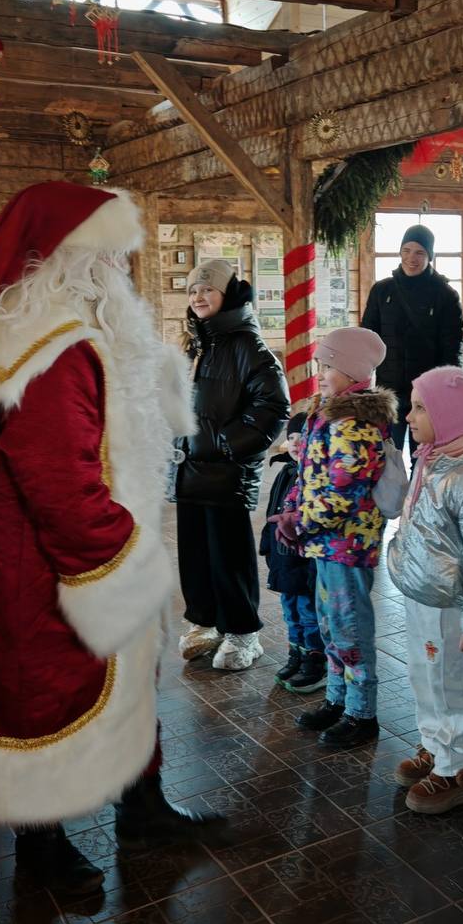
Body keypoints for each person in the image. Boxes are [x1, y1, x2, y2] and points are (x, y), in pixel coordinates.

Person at [0, 181, 209, 894]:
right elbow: (60, 483)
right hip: (40, 563)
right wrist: (123, 565)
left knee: (111, 682)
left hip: (23, 552)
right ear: (71, 260)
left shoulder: (40, 326)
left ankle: (141, 808)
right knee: (41, 697)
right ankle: (41, 855)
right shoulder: (51, 344)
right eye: (109, 259)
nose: (121, 274)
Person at [385, 366, 463, 814]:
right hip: (426, 592)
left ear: (453, 414)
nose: (410, 416)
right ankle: (434, 747)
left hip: (454, 605)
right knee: (425, 676)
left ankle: (457, 768)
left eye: (421, 407)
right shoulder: (433, 456)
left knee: (450, 683)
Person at [171, 259, 288, 672]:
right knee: (195, 553)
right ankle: (204, 623)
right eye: (192, 291)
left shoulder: (247, 346)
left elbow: (274, 405)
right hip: (188, 468)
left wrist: (224, 445)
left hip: (226, 473)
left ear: (227, 294)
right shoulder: (195, 344)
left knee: (228, 555)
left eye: (207, 289)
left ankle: (242, 631)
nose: (198, 297)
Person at [286, 326, 396, 748]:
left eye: (329, 365)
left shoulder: (356, 422)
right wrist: (295, 507)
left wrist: (305, 521)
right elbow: (310, 473)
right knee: (331, 626)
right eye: (320, 364)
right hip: (325, 543)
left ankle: (362, 713)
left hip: (347, 545)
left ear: (353, 371)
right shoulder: (327, 410)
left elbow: (343, 489)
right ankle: (337, 699)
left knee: (350, 629)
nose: (321, 372)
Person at [360, 224, 463, 449]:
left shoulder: (445, 295)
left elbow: (452, 349)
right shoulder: (382, 291)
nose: (411, 258)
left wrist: (449, 391)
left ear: (430, 256)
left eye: (420, 252)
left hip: (427, 394)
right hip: (389, 392)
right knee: (388, 457)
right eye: (406, 250)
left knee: (424, 457)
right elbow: (367, 340)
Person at [259, 412, 325, 694]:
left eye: (303, 437)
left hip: (305, 561)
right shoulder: (286, 472)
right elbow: (272, 512)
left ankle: (315, 661)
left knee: (309, 613)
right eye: (292, 437)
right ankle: (296, 655)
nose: (297, 442)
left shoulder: (315, 478)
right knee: (291, 612)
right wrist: (267, 545)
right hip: (284, 558)